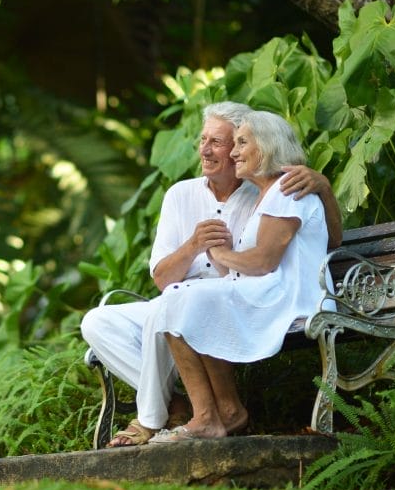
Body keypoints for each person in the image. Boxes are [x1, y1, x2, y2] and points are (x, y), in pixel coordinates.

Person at [80, 102, 342, 447]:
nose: (211, 150)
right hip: (200, 295)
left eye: (224, 142)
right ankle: (177, 405)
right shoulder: (183, 194)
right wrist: (193, 245)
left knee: (181, 304)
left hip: (239, 296)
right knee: (101, 321)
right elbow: (162, 279)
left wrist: (323, 185)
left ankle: (153, 419)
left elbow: (306, 245)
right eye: (205, 141)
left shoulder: (273, 190)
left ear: (256, 147)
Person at [147, 109, 332, 443]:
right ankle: (222, 413)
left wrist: (217, 253)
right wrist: (223, 257)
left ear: (266, 147)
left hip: (290, 298)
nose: (233, 152)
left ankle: (208, 417)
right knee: (183, 300)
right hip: (270, 291)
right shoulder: (270, 193)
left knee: (182, 300)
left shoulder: (286, 189)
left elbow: (262, 261)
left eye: (241, 143)